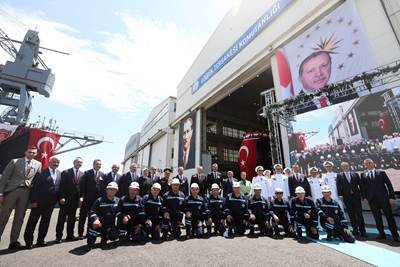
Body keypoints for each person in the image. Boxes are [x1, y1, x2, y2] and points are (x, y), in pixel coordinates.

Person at [0, 147, 42, 249]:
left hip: (26, 192)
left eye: (33, 153)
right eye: (30, 152)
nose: (31, 154)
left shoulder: (38, 164)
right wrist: (1, 193)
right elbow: (5, 176)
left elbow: (37, 180)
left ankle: (13, 241)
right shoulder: (14, 161)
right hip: (12, 190)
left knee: (19, 218)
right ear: (25, 152)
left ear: (35, 154)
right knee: (3, 216)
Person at [24, 157, 61, 248]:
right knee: (32, 222)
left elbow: (58, 187)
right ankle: (28, 242)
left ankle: (41, 240)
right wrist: (34, 201)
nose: (56, 164)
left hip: (51, 203)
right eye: (54, 162)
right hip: (39, 202)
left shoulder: (60, 173)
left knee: (45, 222)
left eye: (57, 163)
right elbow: (35, 188)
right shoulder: (40, 173)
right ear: (49, 162)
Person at [360, 158, 399, 241]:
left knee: (389, 216)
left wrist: (391, 196)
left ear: (373, 163)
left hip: (384, 198)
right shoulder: (363, 174)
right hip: (372, 200)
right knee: (377, 217)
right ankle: (382, 234)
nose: (368, 164)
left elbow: (389, 185)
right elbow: (362, 187)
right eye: (366, 163)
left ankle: (395, 235)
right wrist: (364, 197)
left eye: (369, 163)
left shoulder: (381, 172)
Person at [86, 182, 120, 251]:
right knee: (93, 226)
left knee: (114, 235)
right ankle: (90, 243)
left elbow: (120, 212)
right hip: (99, 223)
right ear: (106, 190)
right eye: (110, 189)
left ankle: (104, 237)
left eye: (114, 189)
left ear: (116, 191)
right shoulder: (99, 200)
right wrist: (95, 219)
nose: (112, 191)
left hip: (109, 225)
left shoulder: (118, 201)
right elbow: (92, 212)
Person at [56, 157, 83, 242]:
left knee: (72, 219)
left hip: (75, 200)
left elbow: (81, 187)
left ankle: (70, 235)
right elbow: (61, 186)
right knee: (62, 218)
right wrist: (61, 197)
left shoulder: (82, 174)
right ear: (74, 162)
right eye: (78, 162)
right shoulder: (66, 172)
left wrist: (81, 197)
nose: (79, 164)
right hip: (65, 199)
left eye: (81, 163)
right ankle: (59, 236)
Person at [336, 161, 366, 237]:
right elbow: (338, 185)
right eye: (343, 166)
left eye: (346, 166)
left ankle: (363, 231)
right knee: (351, 215)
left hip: (356, 197)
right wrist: (340, 195)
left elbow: (361, 185)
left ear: (349, 166)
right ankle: (355, 230)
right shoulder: (339, 175)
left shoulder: (355, 174)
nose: (345, 167)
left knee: (359, 214)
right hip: (347, 198)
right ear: (341, 167)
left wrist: (363, 195)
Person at [78, 159, 104, 239]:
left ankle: (89, 233)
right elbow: (82, 185)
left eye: (100, 164)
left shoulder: (102, 174)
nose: (98, 166)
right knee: (82, 217)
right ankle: (80, 234)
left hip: (96, 201)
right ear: (93, 165)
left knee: (92, 217)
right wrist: (82, 196)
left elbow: (102, 187)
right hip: (87, 199)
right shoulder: (87, 173)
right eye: (97, 164)